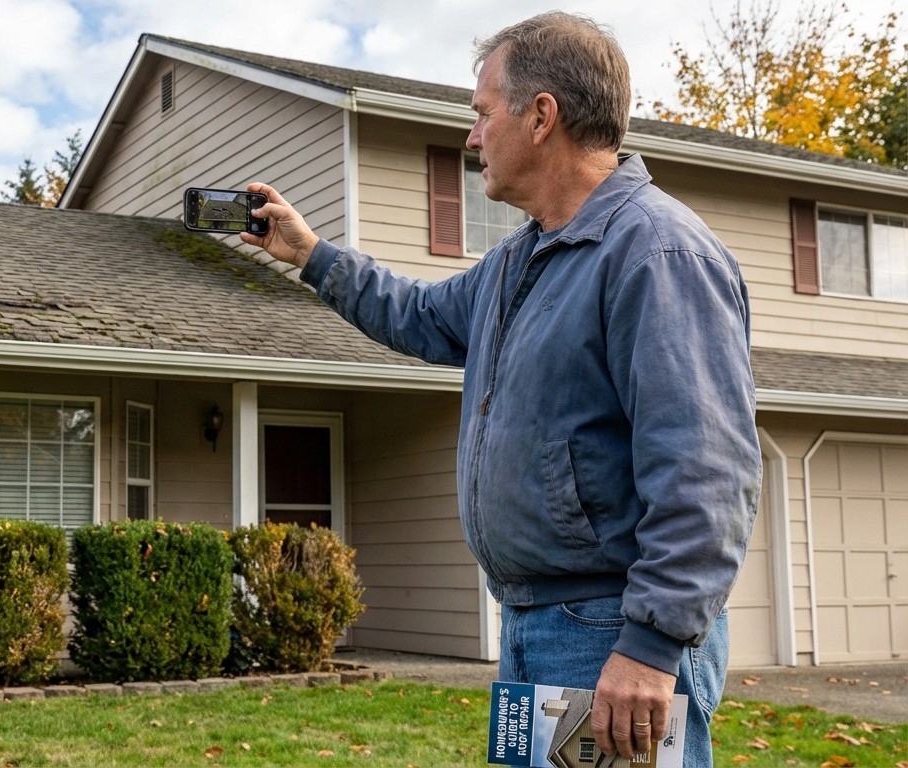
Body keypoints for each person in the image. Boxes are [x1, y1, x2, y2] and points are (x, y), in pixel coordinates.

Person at [239, 11, 761, 765]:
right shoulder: (522, 260)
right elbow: (421, 315)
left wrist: (650, 647)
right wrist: (312, 255)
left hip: (611, 637)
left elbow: (706, 471)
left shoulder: (658, 253)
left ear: (541, 116)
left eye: (483, 114)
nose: (472, 137)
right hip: (534, 624)